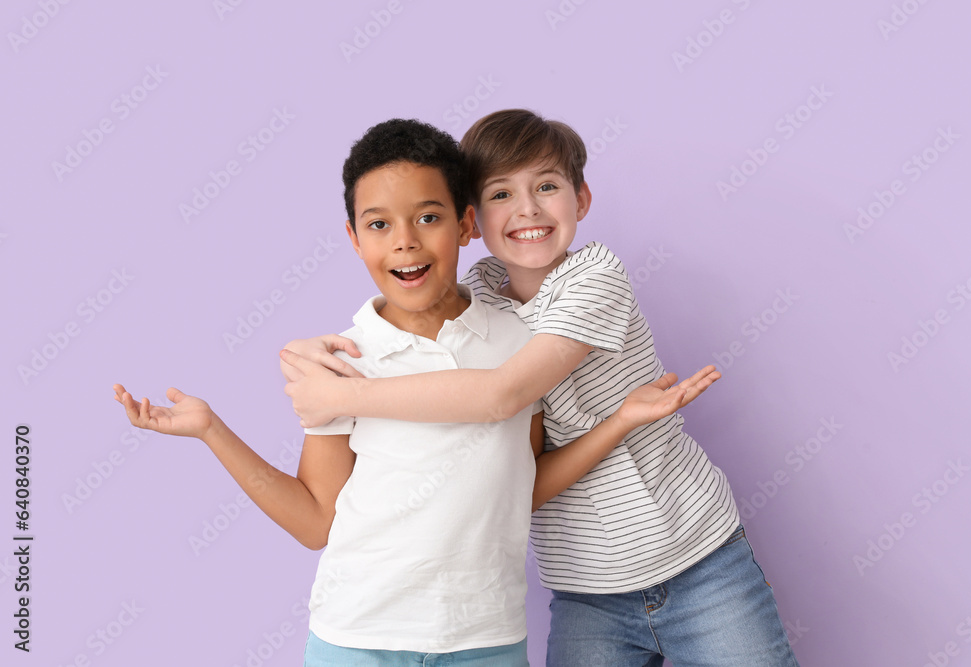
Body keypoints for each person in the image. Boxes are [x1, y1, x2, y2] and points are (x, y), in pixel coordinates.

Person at [113, 117, 718, 666]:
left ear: (464, 225)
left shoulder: (518, 333)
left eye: (428, 217)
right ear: (354, 238)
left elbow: (522, 483)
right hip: (356, 637)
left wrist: (617, 423)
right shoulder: (341, 361)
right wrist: (212, 431)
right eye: (379, 225)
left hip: (487, 639)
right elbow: (315, 522)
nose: (404, 241)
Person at [279, 109, 799, 666]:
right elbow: (506, 476)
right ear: (474, 221)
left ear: (581, 200)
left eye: (546, 187)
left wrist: (343, 398)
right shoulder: (481, 306)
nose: (527, 209)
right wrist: (298, 351)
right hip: (585, 586)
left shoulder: (597, 276)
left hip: (696, 554)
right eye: (502, 194)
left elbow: (499, 396)